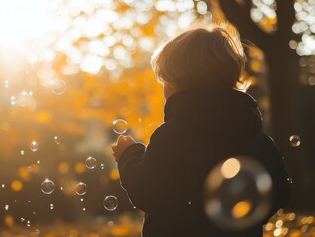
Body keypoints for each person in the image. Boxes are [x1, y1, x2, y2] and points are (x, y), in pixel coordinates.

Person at [111, 27, 291, 237]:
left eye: (164, 81)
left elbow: (146, 191)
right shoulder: (256, 137)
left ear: (176, 84)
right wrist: (243, 216)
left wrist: (129, 155)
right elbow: (280, 192)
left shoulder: (170, 137)